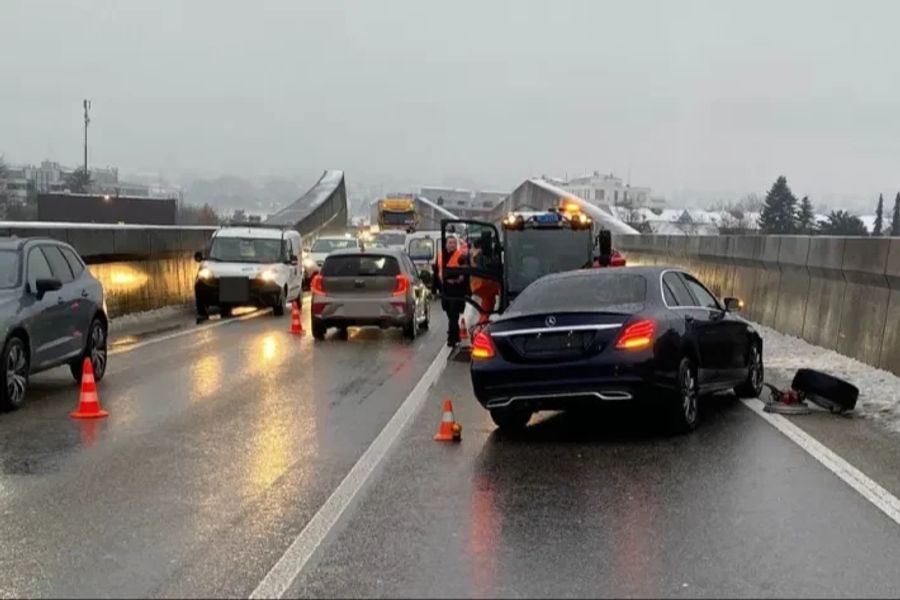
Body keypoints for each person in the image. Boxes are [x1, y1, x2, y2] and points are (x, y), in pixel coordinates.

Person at [433, 235, 468, 347]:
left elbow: (465, 273)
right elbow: (436, 272)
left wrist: (459, 280)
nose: (452, 245)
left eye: (454, 243)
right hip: (445, 289)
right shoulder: (440, 255)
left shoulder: (460, 256)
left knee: (454, 314)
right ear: (446, 244)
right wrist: (434, 289)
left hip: (456, 289)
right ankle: (455, 335)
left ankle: (451, 338)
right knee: (449, 313)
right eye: (450, 242)